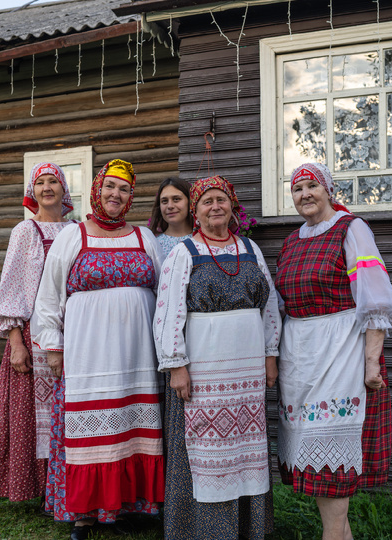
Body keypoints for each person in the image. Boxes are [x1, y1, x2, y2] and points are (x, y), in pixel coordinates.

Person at [32, 159, 165, 540]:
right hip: (88, 356)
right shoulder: (73, 237)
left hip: (136, 358)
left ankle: (122, 506)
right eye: (109, 187)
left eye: (124, 189)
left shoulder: (144, 238)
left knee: (129, 430)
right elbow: (49, 296)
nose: (115, 194)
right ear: (96, 190)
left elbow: (163, 294)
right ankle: (84, 515)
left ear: (131, 197)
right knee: (87, 434)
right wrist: (54, 347)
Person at [275, 163, 392, 540]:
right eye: (297, 189)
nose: (305, 194)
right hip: (300, 358)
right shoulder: (292, 240)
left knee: (331, 468)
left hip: (341, 353)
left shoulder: (352, 229)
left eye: (312, 186)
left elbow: (374, 298)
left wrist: (371, 362)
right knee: (313, 466)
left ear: (328, 190)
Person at [153, 175, 280, 540]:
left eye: (221, 200)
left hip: (247, 368)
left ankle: (249, 529)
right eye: (207, 201)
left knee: (245, 447)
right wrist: (176, 365)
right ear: (196, 209)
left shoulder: (250, 250)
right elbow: (167, 313)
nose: (215, 207)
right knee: (205, 449)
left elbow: (269, 305)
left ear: (232, 205)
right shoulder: (184, 253)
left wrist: (271, 354)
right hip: (202, 369)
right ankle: (200, 531)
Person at [0, 162, 76, 503]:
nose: (48, 188)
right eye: (41, 183)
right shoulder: (25, 231)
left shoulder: (77, 230)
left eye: (54, 181)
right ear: (32, 192)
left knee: (69, 407)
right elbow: (12, 288)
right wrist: (16, 342)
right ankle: (34, 487)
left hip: (75, 333)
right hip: (33, 336)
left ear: (64, 189)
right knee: (34, 416)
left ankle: (68, 484)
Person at [149, 177, 194, 257]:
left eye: (176, 199)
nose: (170, 206)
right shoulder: (153, 245)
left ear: (190, 202)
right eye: (164, 201)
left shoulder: (203, 241)